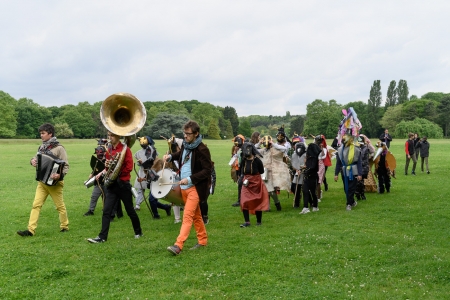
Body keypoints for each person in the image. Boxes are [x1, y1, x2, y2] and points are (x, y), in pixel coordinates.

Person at [164, 121, 212, 255]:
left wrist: (190, 179)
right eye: (184, 133)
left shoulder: (202, 149)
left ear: (196, 134)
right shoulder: (186, 145)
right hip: (184, 188)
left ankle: (178, 246)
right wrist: (170, 157)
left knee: (187, 216)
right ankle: (202, 240)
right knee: (196, 216)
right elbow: (181, 156)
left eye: (188, 134)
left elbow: (207, 170)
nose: (185, 136)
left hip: (195, 188)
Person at [87, 131, 143, 243]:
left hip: (123, 184)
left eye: (112, 135)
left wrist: (117, 170)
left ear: (118, 136)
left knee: (130, 210)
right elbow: (107, 168)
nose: (110, 137)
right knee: (106, 211)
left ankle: (138, 232)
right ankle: (102, 237)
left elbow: (128, 167)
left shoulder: (125, 149)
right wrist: (108, 166)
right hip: (112, 185)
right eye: (109, 135)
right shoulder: (109, 149)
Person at [17, 123, 70, 237]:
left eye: (43, 133)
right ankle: (30, 230)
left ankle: (64, 226)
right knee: (36, 205)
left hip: (55, 183)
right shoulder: (42, 147)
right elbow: (36, 158)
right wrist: (32, 161)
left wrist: (59, 175)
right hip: (42, 182)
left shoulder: (59, 148)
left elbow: (66, 166)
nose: (41, 135)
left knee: (59, 206)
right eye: (40, 133)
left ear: (50, 134)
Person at [134, 136, 171, 219]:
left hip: (158, 182)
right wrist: (143, 179)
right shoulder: (148, 163)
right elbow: (149, 175)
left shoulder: (158, 161)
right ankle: (166, 207)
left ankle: (156, 216)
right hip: (152, 182)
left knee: (151, 199)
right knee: (153, 200)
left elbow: (156, 175)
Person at [334, 107, 363, 211]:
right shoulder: (340, 149)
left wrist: (360, 173)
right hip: (344, 171)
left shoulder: (356, 149)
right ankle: (352, 201)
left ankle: (348, 204)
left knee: (351, 188)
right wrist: (336, 174)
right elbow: (338, 162)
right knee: (346, 189)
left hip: (353, 170)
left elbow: (359, 162)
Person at [239, 142, 269, 227]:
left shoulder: (257, 160)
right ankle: (247, 222)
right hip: (246, 183)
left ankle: (259, 221)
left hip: (256, 182)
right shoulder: (244, 160)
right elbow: (241, 171)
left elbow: (262, 171)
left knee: (257, 200)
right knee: (244, 201)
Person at [83, 140, 107, 216]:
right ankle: (91, 210)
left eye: (100, 152)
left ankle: (106, 211)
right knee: (94, 197)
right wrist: (91, 175)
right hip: (98, 183)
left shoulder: (107, 161)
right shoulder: (96, 161)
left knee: (106, 198)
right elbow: (95, 170)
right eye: (97, 152)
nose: (99, 154)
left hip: (106, 183)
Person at [300, 138, 321, 214]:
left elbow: (312, 168)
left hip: (313, 177)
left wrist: (305, 168)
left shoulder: (314, 159)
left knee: (313, 192)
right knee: (305, 191)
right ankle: (305, 207)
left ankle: (315, 206)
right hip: (307, 177)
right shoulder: (309, 158)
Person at [291, 141, 306, 208]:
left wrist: (302, 169)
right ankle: (297, 201)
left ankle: (310, 202)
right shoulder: (294, 155)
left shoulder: (306, 155)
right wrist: (296, 169)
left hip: (304, 173)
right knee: (294, 187)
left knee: (302, 188)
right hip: (297, 173)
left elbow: (307, 164)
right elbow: (293, 164)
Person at [231, 134, 245, 207]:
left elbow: (242, 161)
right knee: (240, 184)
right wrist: (235, 152)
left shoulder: (244, 148)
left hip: (244, 169)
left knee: (242, 184)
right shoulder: (237, 149)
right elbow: (234, 159)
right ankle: (241, 200)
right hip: (239, 168)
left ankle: (241, 201)